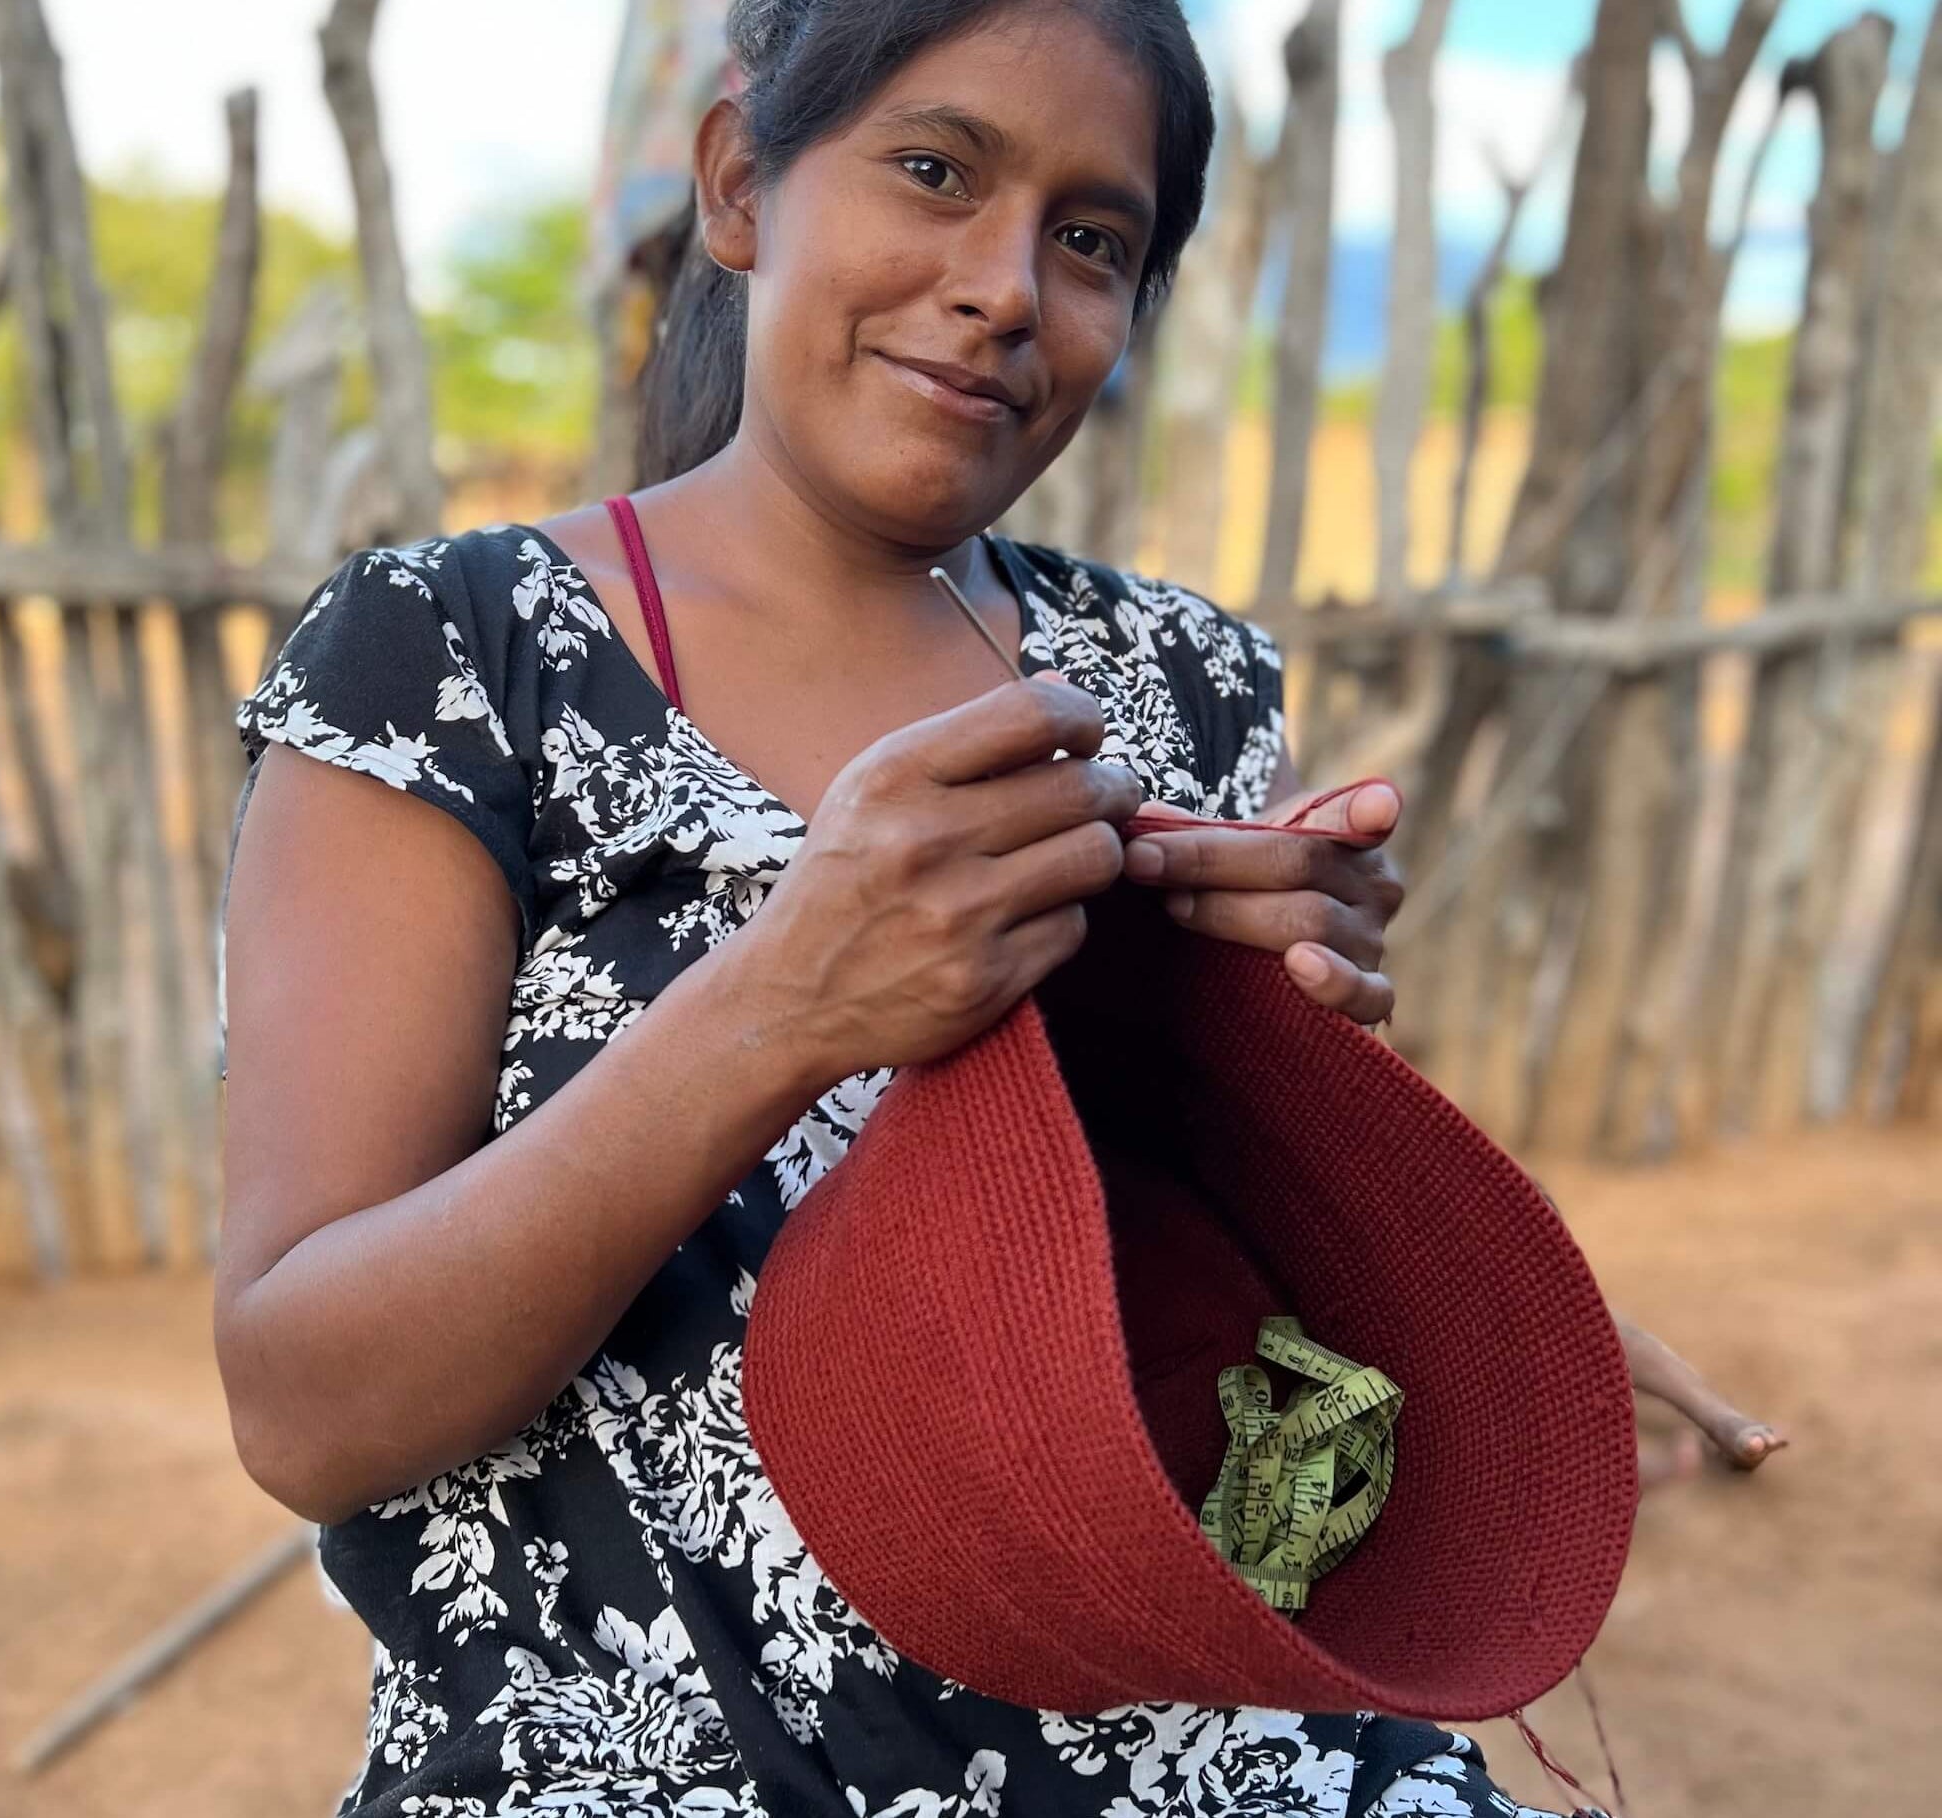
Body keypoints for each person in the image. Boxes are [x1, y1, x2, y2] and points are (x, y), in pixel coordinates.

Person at [215, 3, 1670, 1812]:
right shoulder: (458, 656)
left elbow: (1205, 1300)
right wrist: (790, 1000)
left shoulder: (1180, 679)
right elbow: (304, 1406)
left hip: (1199, 1749)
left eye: (1094, 240)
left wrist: (1290, 1074)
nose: (1004, 288)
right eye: (933, 169)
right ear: (739, 184)